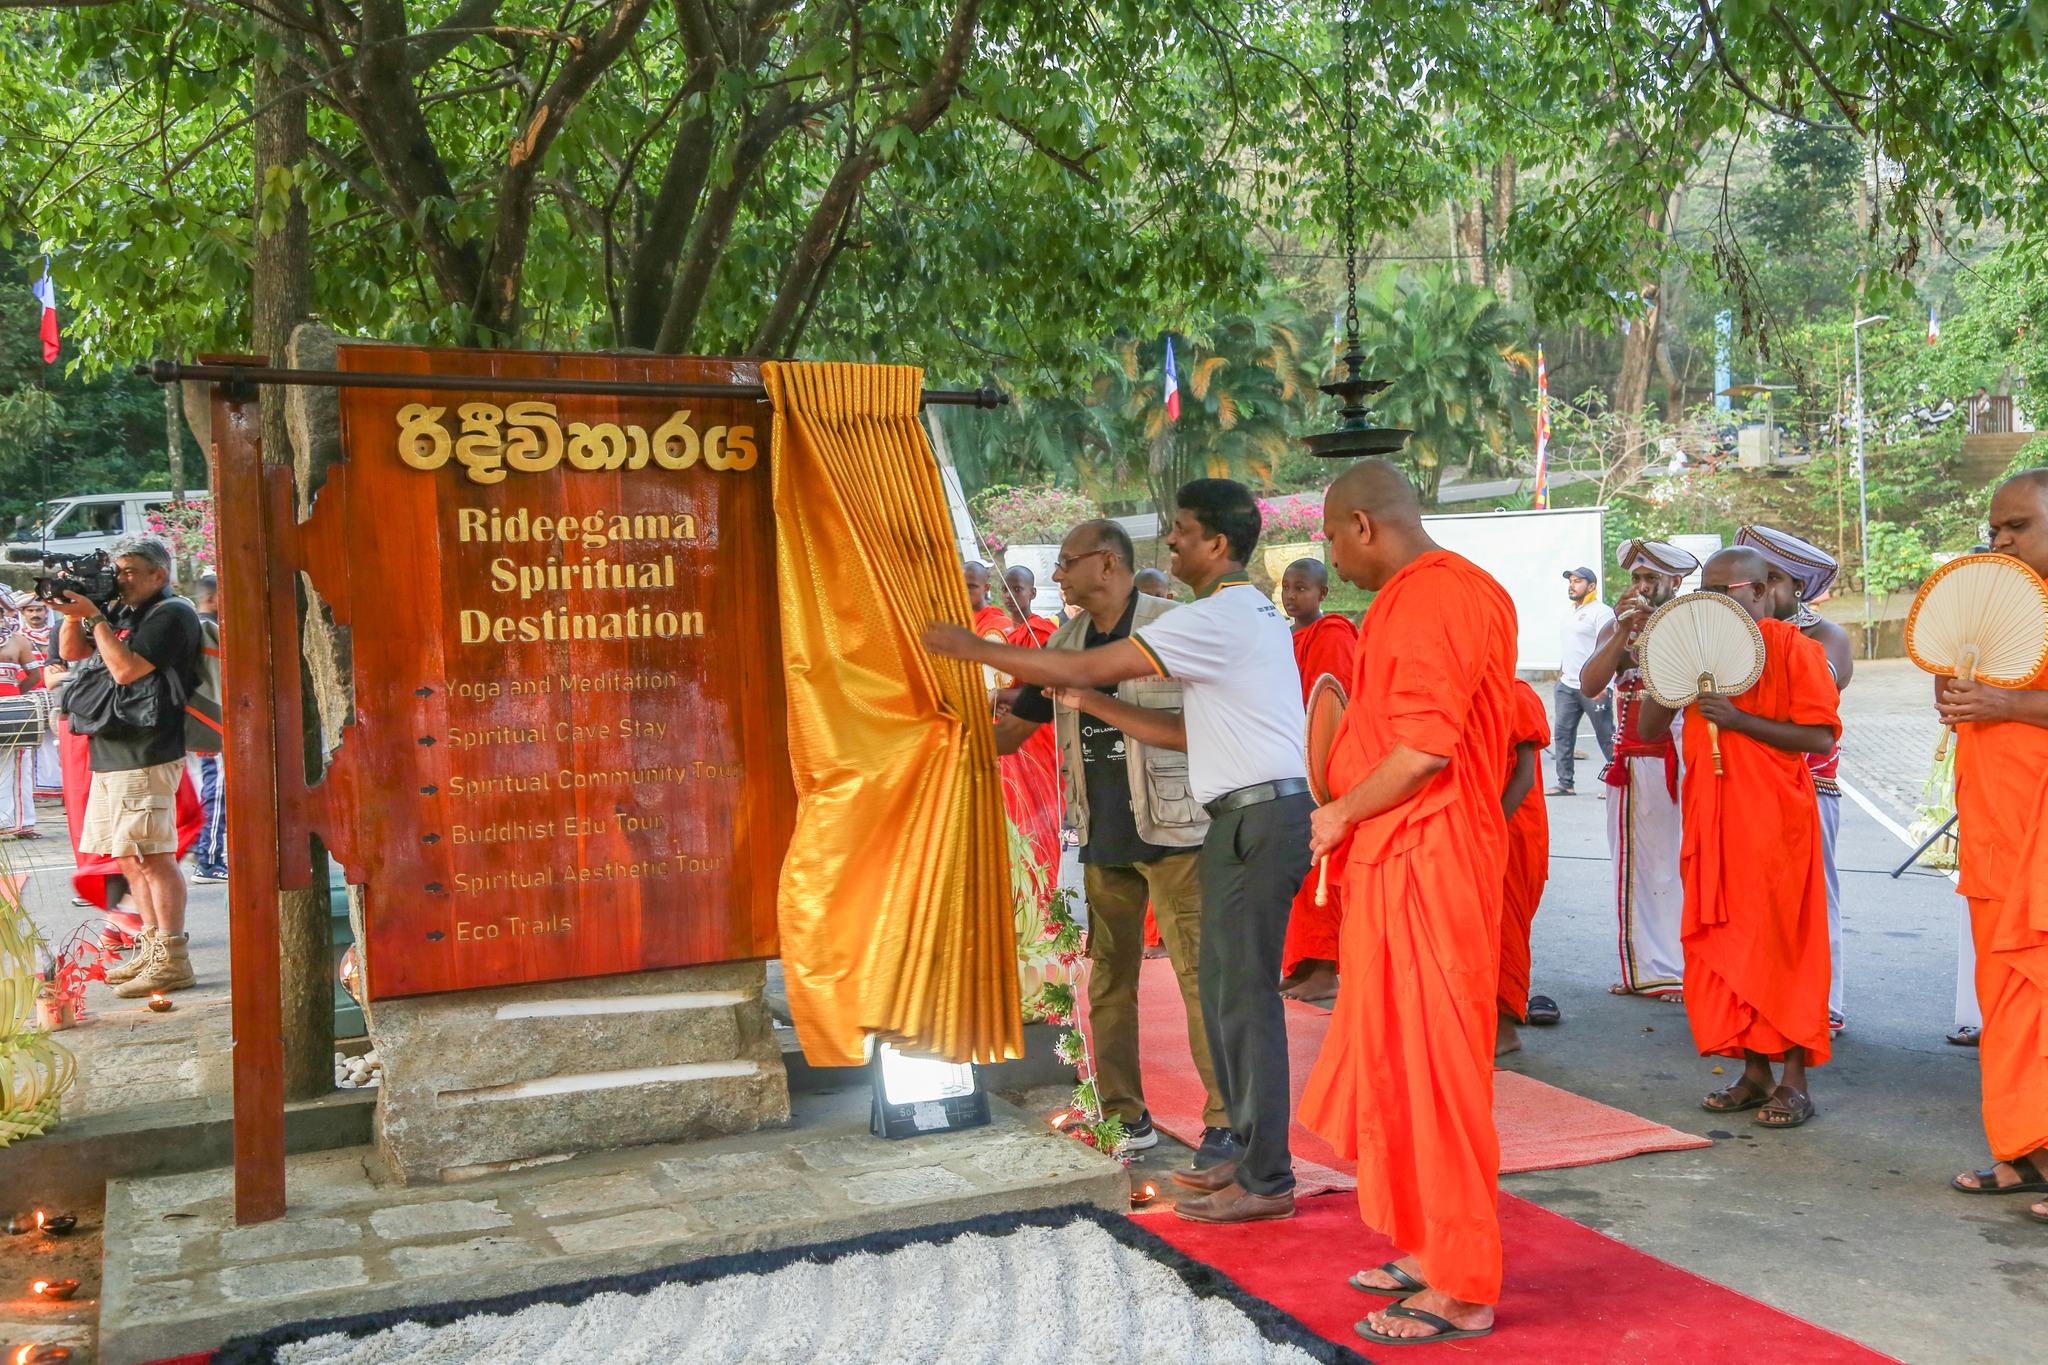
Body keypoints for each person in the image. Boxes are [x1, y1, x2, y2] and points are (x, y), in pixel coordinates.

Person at [924, 478, 1310, 1225]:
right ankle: (1227, 1153)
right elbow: (1156, 722)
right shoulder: (1216, 617)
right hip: (1162, 822)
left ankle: (1253, 1162)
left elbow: (1084, 674)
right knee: (1176, 988)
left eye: (1183, 532)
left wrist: (973, 647)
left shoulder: (1200, 618)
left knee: (1231, 994)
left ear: (1216, 545)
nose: (1172, 543)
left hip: (1212, 824)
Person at [1296, 460, 1518, 1345]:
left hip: (1430, 860)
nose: (1327, 557)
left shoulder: (1434, 596)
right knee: (1399, 1064)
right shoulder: (1427, 593)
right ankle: (1430, 1247)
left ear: (1361, 523)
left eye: (1327, 538)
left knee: (1439, 1073)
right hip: (1400, 859)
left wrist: (1339, 810)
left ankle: (1464, 1286)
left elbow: (1426, 748)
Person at [996, 519, 1228, 1161]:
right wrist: (926, 739)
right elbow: (1014, 735)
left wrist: (1096, 702)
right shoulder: (1065, 642)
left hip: (1176, 832)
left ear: (1105, 564)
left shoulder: (1174, 627)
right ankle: (1126, 1116)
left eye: (1066, 563)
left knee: (1198, 978)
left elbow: (1202, 724)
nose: (1055, 577)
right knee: (1109, 984)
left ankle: (1226, 1123)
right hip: (1102, 834)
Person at [1635, 547, 1838, 1130]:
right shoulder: (1696, 653)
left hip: (1775, 823)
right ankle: (1753, 1073)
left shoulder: (1793, 648)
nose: (1715, 604)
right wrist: (1662, 668)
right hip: (1711, 819)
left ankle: (1794, 1081)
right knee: (1726, 944)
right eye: (1707, 592)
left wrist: (1739, 719)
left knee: (1781, 944)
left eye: (1728, 592)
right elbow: (1650, 729)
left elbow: (1820, 738)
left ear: (1762, 591)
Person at [1937, 470, 2048, 1216]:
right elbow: (1951, 690)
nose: (2000, 538)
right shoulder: (1993, 601)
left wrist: (2006, 701)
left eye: (2017, 525)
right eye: (1995, 526)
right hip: (1995, 836)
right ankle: (2025, 1150)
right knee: (2005, 997)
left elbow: (2008, 701)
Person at [53, 536, 205, 997]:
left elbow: (125, 670)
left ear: (160, 574)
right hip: (112, 748)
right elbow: (74, 654)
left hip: (147, 750)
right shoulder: (124, 610)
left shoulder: (171, 613)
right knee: (127, 856)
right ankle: (151, 949)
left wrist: (96, 617)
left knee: (153, 857)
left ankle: (174, 959)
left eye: (131, 571)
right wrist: (72, 613)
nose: (121, 580)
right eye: (118, 571)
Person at [1738, 526, 1854, 1033]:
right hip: (1744, 791)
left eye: (1773, 580)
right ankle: (1755, 1003)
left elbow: (1808, 709)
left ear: (1797, 588)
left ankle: (1820, 1003)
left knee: (1812, 897)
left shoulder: (1825, 638)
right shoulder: (1731, 636)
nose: (1759, 590)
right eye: (1753, 581)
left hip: (1810, 786)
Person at [1580, 539, 1699, 998]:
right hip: (1632, 763)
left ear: (1676, 582)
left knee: (1679, 866)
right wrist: (1620, 631)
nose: (1643, 586)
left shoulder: (1690, 622)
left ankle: (1677, 968)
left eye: (1653, 579)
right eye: (1637, 579)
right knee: (1634, 866)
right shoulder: (1618, 623)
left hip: (1683, 759)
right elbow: (1591, 684)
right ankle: (1649, 969)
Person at [1277, 558, 1357, 1003]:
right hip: (1289, 763)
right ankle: (1304, 962)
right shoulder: (1288, 637)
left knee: (1319, 870)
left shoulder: (1333, 635)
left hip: (1320, 766)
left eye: (1302, 587)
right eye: (1286, 587)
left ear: (1323, 593)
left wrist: (1323, 771)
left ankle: (1325, 969)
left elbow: (1333, 703)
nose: (1291, 595)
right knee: (1299, 873)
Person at [1497, 678, 1555, 1055]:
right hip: (1482, 825)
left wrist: (1489, 830)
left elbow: (1525, 775)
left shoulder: (1516, 693)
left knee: (1504, 930)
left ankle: (1502, 1032)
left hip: (1512, 827)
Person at [1549, 564, 1614, 796]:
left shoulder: (1601, 612)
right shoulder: (1571, 611)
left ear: (1592, 586)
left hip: (1592, 686)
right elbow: (1572, 645)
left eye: (1577, 581)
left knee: (1606, 734)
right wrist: (1562, 671)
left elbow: (1608, 648)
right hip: (1567, 685)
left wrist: (1605, 683)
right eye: (1570, 582)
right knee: (1563, 734)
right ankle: (1565, 782)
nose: (1572, 585)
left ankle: (1616, 782)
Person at [187, 573, 226, 884]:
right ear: (212, 598)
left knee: (214, 790)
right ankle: (208, 859)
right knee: (217, 791)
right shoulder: (206, 629)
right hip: (215, 724)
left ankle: (208, 854)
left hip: (212, 724)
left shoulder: (204, 628)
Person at [0, 603, 45, 838]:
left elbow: (35, 675)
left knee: (17, 768)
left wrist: (16, 695)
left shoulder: (18, 642)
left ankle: (20, 824)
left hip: (11, 712)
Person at [17, 593, 62, 798]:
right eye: (31, 610)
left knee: (57, 742)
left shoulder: (58, 634)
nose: (35, 614)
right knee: (33, 744)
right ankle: (36, 791)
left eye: (39, 609)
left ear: (46, 612)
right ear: (24, 613)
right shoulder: (17, 638)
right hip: (30, 697)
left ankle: (59, 788)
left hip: (57, 694)